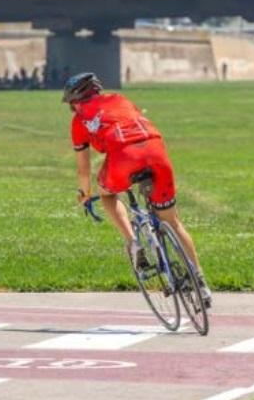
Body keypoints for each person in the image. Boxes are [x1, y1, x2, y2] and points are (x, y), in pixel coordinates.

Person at [63, 72, 212, 307]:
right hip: (155, 151)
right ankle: (201, 282)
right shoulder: (119, 99)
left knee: (108, 194)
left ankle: (133, 242)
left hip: (123, 158)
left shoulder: (79, 120)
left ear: (74, 102)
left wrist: (84, 194)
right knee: (173, 222)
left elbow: (83, 169)